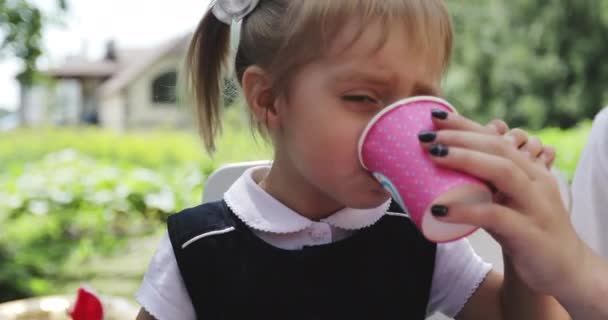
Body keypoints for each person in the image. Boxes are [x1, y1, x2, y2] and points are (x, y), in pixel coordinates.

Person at [136, 1, 571, 319]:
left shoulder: (416, 237)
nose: (403, 126)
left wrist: (521, 245)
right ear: (268, 99)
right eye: (362, 98)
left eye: (422, 101)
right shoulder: (197, 248)